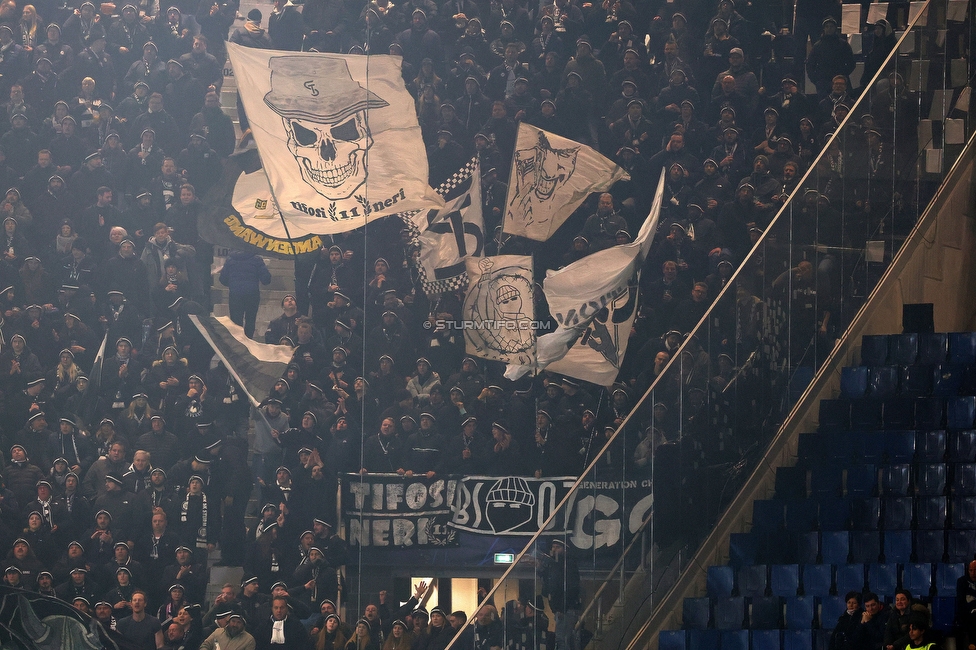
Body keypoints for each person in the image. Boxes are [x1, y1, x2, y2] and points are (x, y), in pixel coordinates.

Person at [219, 250, 272, 339]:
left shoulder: (230, 259)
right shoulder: (256, 259)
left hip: (235, 294)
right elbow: (266, 280)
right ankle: (248, 343)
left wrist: (233, 284)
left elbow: (222, 279)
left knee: (235, 322)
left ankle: (238, 343)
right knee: (250, 321)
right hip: (252, 294)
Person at [541, 539, 580, 650]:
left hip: (566, 609)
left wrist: (562, 607)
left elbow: (571, 588)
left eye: (558, 547)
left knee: (562, 639)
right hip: (561, 609)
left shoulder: (568, 565)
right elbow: (547, 589)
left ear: (565, 549)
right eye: (553, 547)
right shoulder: (553, 566)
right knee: (564, 639)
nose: (554, 549)